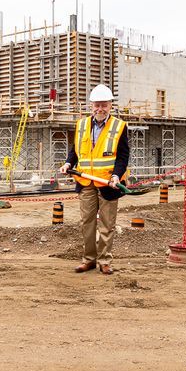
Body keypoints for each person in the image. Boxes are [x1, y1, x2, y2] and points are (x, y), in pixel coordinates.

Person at [59, 84, 129, 275]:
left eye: (104, 105)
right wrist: (68, 163)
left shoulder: (119, 126)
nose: (100, 109)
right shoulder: (81, 125)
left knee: (107, 224)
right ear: (91, 106)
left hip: (108, 184)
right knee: (86, 223)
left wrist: (116, 175)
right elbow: (76, 150)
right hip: (85, 182)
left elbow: (123, 156)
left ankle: (104, 261)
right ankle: (88, 259)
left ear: (110, 106)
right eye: (97, 105)